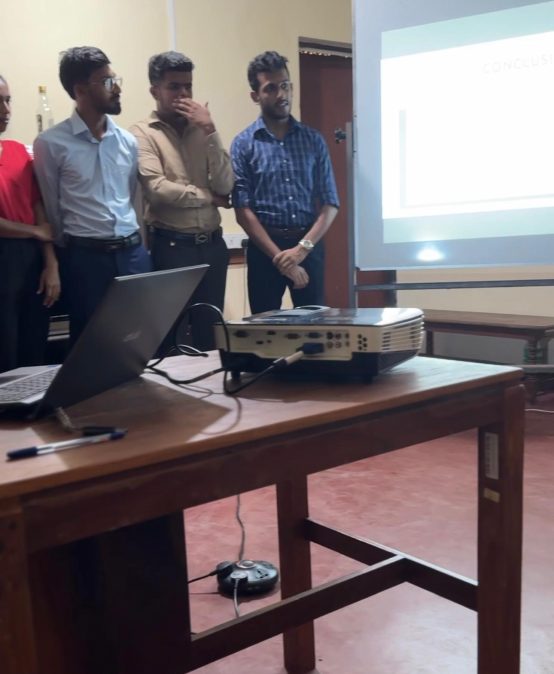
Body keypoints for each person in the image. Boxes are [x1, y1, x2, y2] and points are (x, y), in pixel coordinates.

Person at [33, 46, 151, 344]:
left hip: (132, 254)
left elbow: (131, 197)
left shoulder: (127, 141)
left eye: (115, 80)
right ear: (80, 89)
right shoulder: (51, 144)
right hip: (86, 260)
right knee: (91, 346)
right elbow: (52, 206)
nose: (117, 88)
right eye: (107, 82)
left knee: (139, 342)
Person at [130, 51, 233, 352]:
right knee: (170, 339)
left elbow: (226, 184)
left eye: (188, 86)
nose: (184, 94)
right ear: (155, 91)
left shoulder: (203, 128)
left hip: (213, 247)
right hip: (172, 248)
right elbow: (158, 189)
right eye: (174, 87)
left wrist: (211, 130)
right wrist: (208, 197)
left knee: (211, 337)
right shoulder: (142, 133)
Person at [231, 51, 339, 315]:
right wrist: (281, 259)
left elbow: (330, 203)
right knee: (264, 328)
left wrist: (301, 251)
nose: (282, 94)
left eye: (286, 85)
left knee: (316, 328)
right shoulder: (243, 144)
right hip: (264, 250)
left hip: (308, 245)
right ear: (255, 96)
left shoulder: (313, 140)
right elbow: (243, 210)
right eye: (271, 88)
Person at [0, 74, 60, 372]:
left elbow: (38, 206)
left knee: (34, 346)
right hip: (5, 255)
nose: (6, 110)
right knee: (5, 350)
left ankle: (33, 402)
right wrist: (35, 231)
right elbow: (38, 228)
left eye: (8, 100)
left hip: (31, 257)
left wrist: (51, 264)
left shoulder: (18, 151)